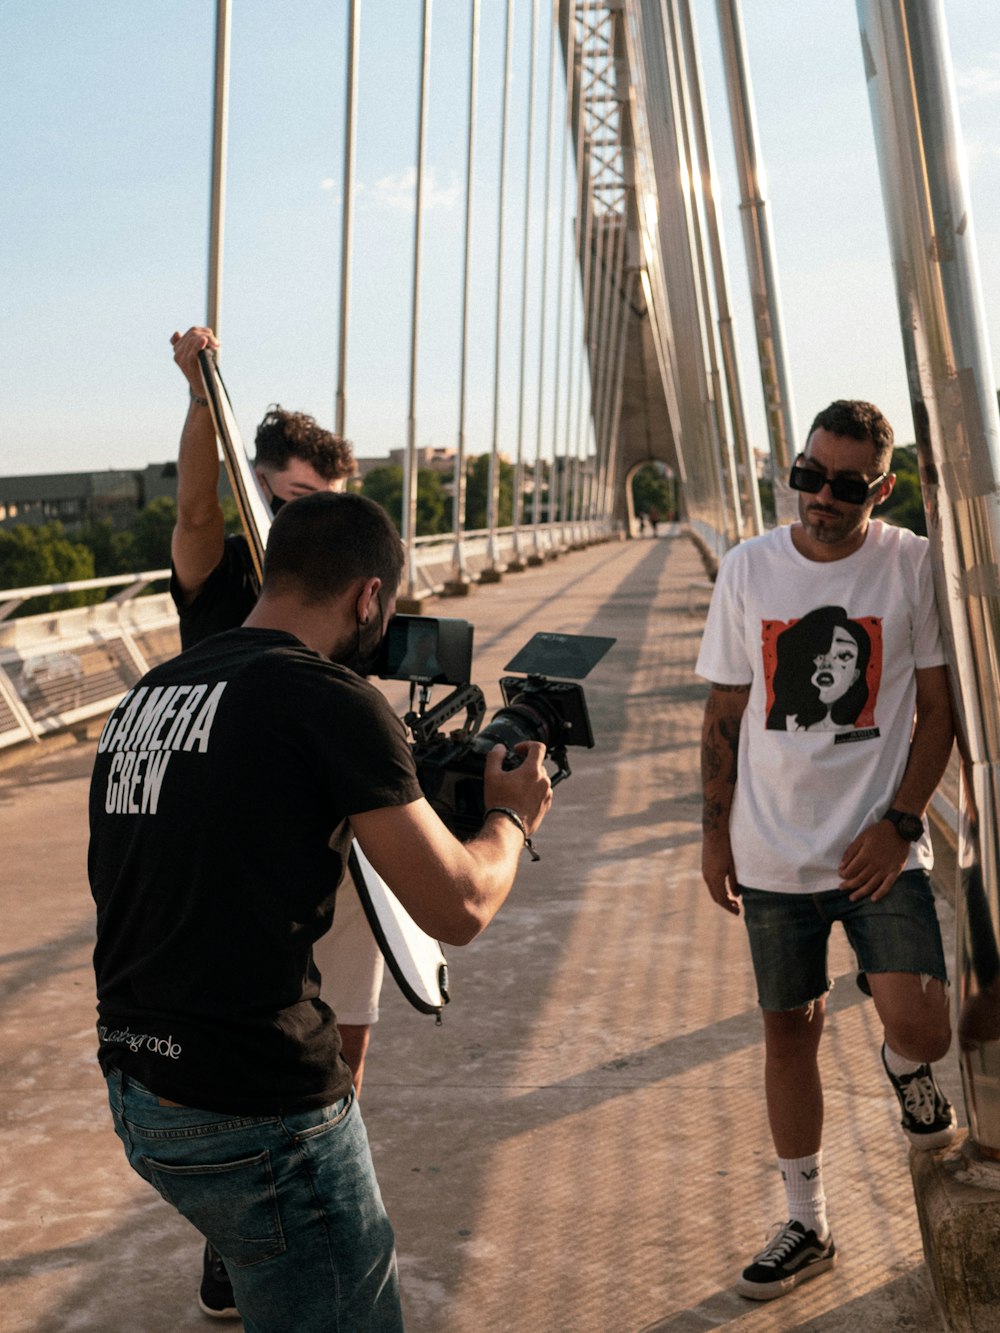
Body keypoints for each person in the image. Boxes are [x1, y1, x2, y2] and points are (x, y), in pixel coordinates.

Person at [88, 491, 552, 1332]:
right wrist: (512, 815)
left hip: (140, 1088)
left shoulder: (149, 694)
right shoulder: (329, 698)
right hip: (259, 1108)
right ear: (368, 597)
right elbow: (458, 904)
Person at [696, 400, 956, 1302]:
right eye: (810, 476)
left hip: (878, 847)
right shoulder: (748, 569)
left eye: (847, 485)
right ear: (795, 471)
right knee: (788, 1030)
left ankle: (902, 1065)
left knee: (924, 1024)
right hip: (770, 852)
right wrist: (711, 830)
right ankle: (807, 1220)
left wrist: (904, 820)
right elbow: (726, 710)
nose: (823, 497)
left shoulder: (912, 564)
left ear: (881, 489)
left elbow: (939, 709)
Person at [168, 325, 392, 1315]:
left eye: (308, 505)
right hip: (230, 847)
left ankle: (317, 1191)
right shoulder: (221, 577)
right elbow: (191, 506)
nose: (283, 521)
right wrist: (197, 397)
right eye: (275, 496)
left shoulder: (352, 589)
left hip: (335, 838)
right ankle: (240, 1229)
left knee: (344, 1029)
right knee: (234, 1040)